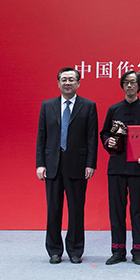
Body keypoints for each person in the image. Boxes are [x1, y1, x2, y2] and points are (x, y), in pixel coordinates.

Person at [35, 67, 98, 264]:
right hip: (52, 165)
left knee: (76, 210)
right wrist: (40, 164)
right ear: (58, 83)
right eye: (64, 79)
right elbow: (42, 136)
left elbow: (92, 138)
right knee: (53, 209)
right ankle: (54, 250)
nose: (67, 83)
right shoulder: (47, 106)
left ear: (78, 83)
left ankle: (75, 250)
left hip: (78, 165)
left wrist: (90, 164)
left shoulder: (88, 106)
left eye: (71, 79)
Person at [100, 70, 140, 265]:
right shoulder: (114, 109)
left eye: (133, 82)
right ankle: (118, 250)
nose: (129, 85)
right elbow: (104, 133)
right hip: (116, 167)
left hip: (138, 168)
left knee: (137, 211)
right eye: (126, 82)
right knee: (116, 210)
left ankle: (138, 250)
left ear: (139, 85)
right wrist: (108, 142)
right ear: (122, 85)